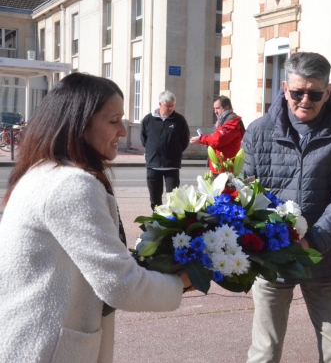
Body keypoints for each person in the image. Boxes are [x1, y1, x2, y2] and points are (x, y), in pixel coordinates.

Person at [0, 73, 190, 362]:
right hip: (47, 349)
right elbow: (120, 284)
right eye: (113, 121)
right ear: (79, 124)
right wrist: (182, 282)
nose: (124, 132)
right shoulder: (71, 184)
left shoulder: (44, 170)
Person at [242, 52, 331, 363]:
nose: (305, 100)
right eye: (298, 92)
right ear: (284, 88)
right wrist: (262, 240)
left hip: (326, 256)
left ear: (328, 90)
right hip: (271, 258)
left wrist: (313, 241)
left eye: (314, 93)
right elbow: (243, 192)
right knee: (264, 350)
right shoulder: (258, 131)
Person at [140, 90, 190, 210]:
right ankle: (157, 220)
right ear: (160, 104)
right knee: (155, 198)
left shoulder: (179, 120)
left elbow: (185, 140)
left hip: (171, 166)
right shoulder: (148, 119)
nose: (171, 108)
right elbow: (144, 139)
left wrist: (175, 152)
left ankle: (171, 222)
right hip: (153, 165)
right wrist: (153, 151)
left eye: (173, 106)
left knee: (173, 198)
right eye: (168, 106)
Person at [189, 95, 245, 173]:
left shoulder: (232, 122)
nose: (215, 111)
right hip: (219, 166)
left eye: (218, 108)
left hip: (226, 168)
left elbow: (218, 139)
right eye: (214, 109)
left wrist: (202, 139)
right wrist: (206, 142)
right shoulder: (222, 121)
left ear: (226, 108)